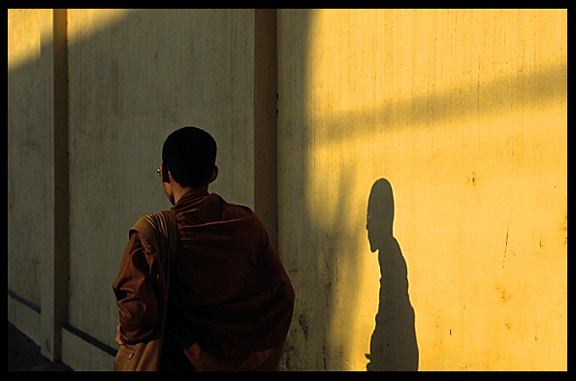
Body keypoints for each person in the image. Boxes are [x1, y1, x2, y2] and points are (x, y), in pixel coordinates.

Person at [113, 126, 295, 370]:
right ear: (213, 173)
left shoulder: (151, 236)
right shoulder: (247, 225)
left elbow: (136, 317)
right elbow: (282, 295)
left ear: (165, 173)